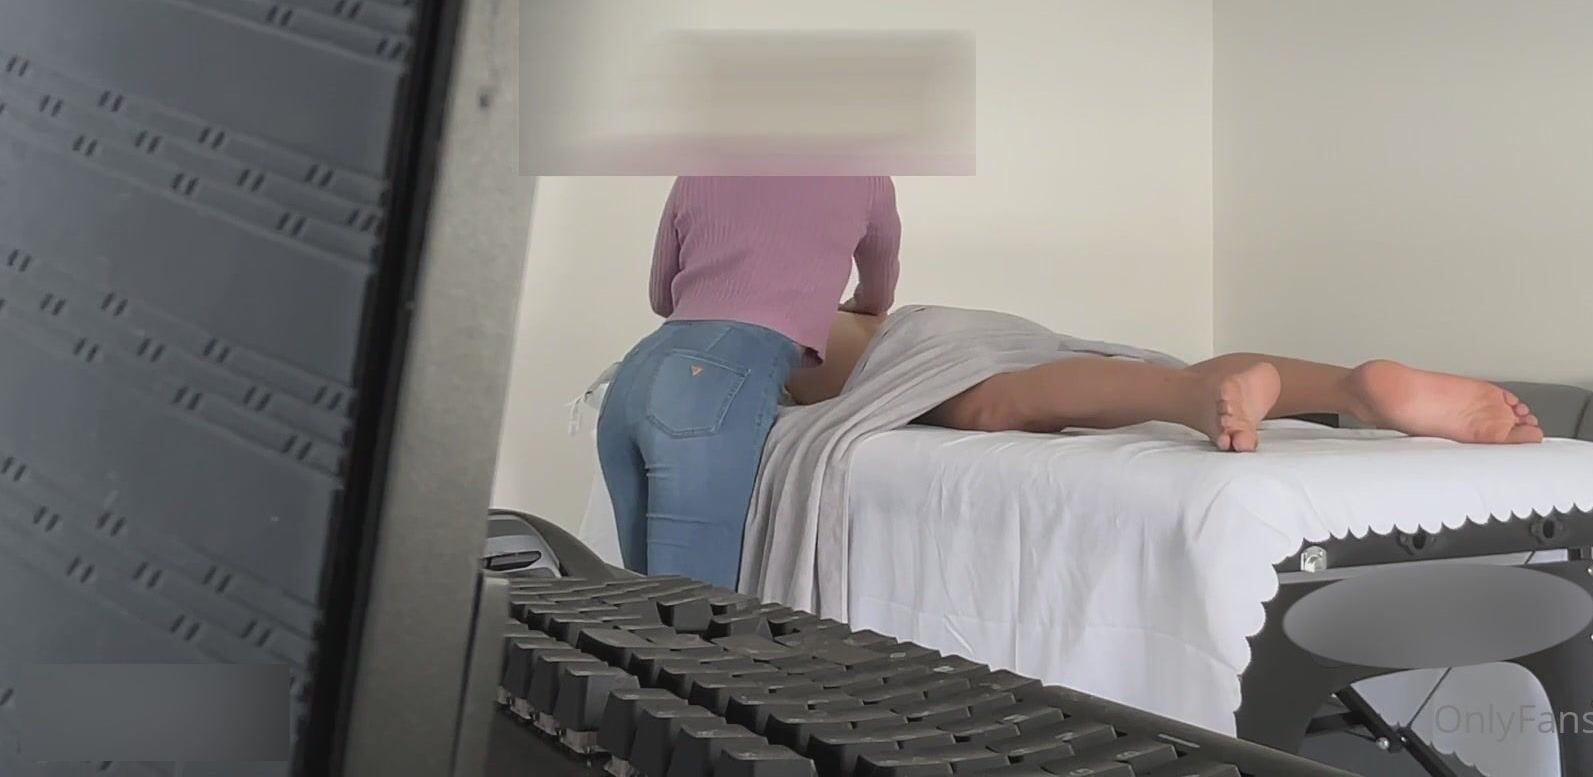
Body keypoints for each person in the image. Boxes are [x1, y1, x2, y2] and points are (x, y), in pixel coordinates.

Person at [598, 177, 900, 587]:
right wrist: (841, 306)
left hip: (634, 374)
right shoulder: (866, 176)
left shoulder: (701, 168)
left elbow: (662, 298)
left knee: (639, 609)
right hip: (709, 386)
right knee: (692, 611)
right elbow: (878, 295)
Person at [787, 309, 1543, 450]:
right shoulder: (849, 306)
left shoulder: (759, 334)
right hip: (976, 324)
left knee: (996, 405)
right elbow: (879, 281)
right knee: (1138, 377)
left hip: (919, 353)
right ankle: (1352, 389)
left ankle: (1191, 402)